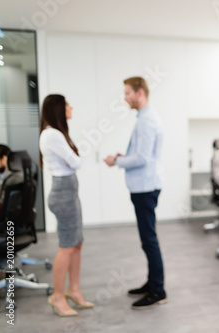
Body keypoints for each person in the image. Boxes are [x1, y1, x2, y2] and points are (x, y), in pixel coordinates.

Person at [103, 76, 166, 309]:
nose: (125, 97)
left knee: (149, 239)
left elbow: (141, 158)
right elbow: (141, 155)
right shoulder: (144, 118)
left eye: (128, 93)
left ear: (140, 93)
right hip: (144, 185)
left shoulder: (146, 121)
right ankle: (152, 283)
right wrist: (122, 158)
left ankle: (158, 290)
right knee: (147, 239)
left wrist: (116, 161)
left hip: (145, 187)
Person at [39, 94, 94, 317]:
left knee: (76, 243)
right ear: (58, 109)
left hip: (69, 192)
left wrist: (72, 156)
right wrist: (73, 155)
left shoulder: (56, 133)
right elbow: (76, 161)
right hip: (63, 194)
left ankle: (74, 291)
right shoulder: (52, 134)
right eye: (67, 104)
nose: (71, 107)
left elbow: (73, 160)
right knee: (66, 246)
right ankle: (58, 297)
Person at [0, 144, 24, 211]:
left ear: (4, 159)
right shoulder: (18, 174)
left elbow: (2, 202)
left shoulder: (13, 178)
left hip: (7, 216)